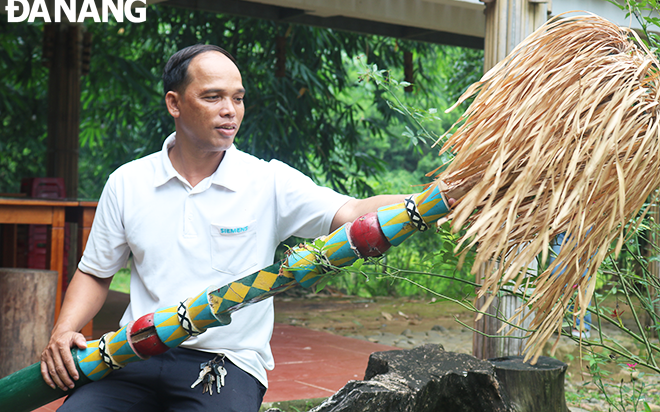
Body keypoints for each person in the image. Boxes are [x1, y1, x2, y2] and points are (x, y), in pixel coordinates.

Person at [40, 44, 457, 412]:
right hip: (134, 351)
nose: (230, 110)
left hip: (224, 363)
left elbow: (351, 212)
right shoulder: (129, 182)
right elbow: (96, 272)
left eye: (238, 98)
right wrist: (63, 331)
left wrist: (431, 199)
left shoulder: (267, 181)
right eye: (213, 97)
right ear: (174, 103)